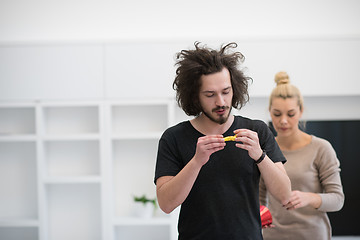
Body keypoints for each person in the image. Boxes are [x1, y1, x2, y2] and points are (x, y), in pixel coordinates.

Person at [154, 42, 291, 240]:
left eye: (226, 92)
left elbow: (285, 195)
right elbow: (166, 204)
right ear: (194, 96)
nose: (221, 102)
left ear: (235, 88)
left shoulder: (257, 131)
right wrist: (196, 162)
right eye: (210, 95)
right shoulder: (173, 138)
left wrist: (260, 156)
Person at [260, 71, 345, 240]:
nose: (283, 121)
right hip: (273, 236)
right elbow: (260, 199)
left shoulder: (321, 148)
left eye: (290, 114)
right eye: (277, 114)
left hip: (312, 235)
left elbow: (337, 199)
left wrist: (309, 198)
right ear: (269, 111)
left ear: (301, 111)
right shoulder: (265, 150)